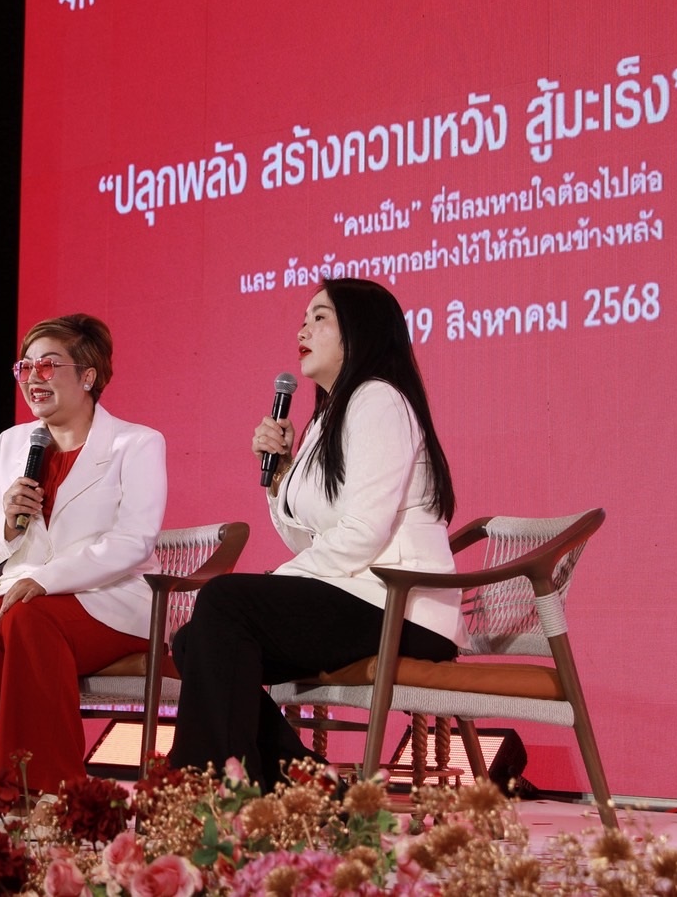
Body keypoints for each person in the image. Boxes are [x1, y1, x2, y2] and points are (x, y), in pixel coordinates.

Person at [168, 278, 459, 790]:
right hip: (360, 593)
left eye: (320, 318)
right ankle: (303, 782)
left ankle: (215, 790)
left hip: (401, 606)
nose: (302, 330)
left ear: (360, 330)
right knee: (194, 641)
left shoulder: (379, 399)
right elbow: (313, 540)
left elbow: (363, 533)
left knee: (225, 604)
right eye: (303, 320)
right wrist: (280, 473)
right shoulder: (330, 414)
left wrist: (279, 579)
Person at [0, 313, 167, 793]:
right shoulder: (12, 443)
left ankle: (53, 791)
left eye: (47, 366)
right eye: (24, 368)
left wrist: (46, 579)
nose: (33, 379)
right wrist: (7, 524)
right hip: (25, 601)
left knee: (28, 619)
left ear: (88, 376)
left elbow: (133, 540)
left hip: (111, 599)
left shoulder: (137, 443)